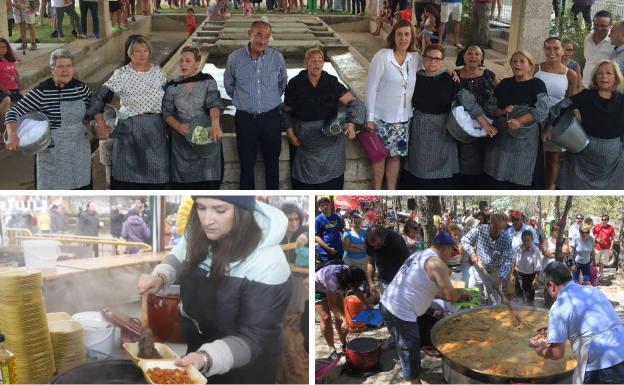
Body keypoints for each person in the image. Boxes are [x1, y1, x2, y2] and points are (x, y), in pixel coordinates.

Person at [137, 197, 292, 384]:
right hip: (199, 349)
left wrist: (206, 358)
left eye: (220, 210)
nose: (207, 220)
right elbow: (180, 254)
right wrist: (160, 276)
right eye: (201, 208)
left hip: (247, 362)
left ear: (242, 212)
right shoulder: (200, 232)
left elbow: (254, 336)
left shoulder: (269, 263)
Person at [380, 232, 473, 384]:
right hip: (400, 312)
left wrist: (447, 293)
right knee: (409, 350)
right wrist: (462, 295)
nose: (452, 254)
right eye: (451, 250)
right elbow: (451, 296)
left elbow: (424, 288)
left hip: (386, 304)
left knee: (405, 347)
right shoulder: (436, 263)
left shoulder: (419, 254)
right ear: (444, 248)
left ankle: (413, 371)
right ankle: (415, 381)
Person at [4, 49, 94, 190]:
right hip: (53, 153)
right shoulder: (42, 92)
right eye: (60, 67)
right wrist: (12, 134)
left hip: (78, 150)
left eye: (68, 66)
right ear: (52, 69)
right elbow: (13, 112)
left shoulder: (81, 89)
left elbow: (94, 109)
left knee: (80, 189)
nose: (65, 71)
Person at [91, 36, 169, 189]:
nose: (142, 54)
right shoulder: (121, 74)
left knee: (157, 174)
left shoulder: (158, 72)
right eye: (137, 51)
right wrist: (101, 122)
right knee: (127, 176)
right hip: (129, 131)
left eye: (145, 50)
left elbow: (170, 98)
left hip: (155, 130)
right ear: (130, 54)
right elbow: (99, 97)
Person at [283, 47, 361, 190]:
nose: (317, 64)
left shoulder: (331, 82)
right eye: (312, 61)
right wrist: (290, 133)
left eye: (320, 61)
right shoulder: (295, 84)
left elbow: (353, 102)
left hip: (330, 141)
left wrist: (351, 124)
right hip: (305, 144)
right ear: (306, 64)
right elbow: (286, 112)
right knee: (305, 185)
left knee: (331, 186)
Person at [534, 262, 624, 384]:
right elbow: (593, 322)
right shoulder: (592, 290)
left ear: (551, 285)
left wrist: (541, 349)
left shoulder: (559, 306)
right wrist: (553, 329)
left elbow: (557, 353)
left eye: (546, 287)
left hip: (601, 367)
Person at [224, 20, 287, 190]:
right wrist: (246, 101)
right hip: (246, 120)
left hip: (271, 119)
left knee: (272, 165)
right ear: (249, 34)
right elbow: (230, 86)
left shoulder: (277, 58)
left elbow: (282, 84)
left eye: (267, 36)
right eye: (259, 35)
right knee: (246, 166)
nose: (263, 40)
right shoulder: (235, 58)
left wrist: (269, 100)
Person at [545, 60, 624, 189]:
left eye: (609, 73)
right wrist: (550, 126)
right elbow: (559, 107)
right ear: (595, 77)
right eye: (600, 73)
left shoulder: (622, 100)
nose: (604, 77)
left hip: (613, 159)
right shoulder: (586, 96)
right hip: (583, 152)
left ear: (616, 78)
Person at [366, 21, 421, 190]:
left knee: (395, 157)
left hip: (403, 118)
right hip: (381, 117)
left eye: (407, 34)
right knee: (379, 157)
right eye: (399, 34)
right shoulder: (383, 56)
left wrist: (448, 71)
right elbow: (371, 87)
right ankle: (377, 191)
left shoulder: (415, 58)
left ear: (411, 37)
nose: (403, 38)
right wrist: (369, 118)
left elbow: (432, 67)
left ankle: (390, 191)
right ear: (393, 37)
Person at [482, 50, 549, 189]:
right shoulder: (505, 83)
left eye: (522, 61)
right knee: (498, 173)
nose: (517, 64)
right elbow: (490, 106)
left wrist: (520, 120)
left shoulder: (537, 84)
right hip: (502, 137)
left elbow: (543, 109)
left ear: (530, 66)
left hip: (525, 139)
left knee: (520, 174)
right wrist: (503, 111)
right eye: (514, 61)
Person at [162, 46, 223, 189]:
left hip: (205, 137)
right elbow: (166, 112)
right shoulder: (172, 87)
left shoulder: (208, 81)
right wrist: (178, 126)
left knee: (208, 178)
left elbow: (214, 104)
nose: (183, 64)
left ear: (197, 63)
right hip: (181, 142)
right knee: (182, 182)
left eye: (188, 61)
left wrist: (215, 124)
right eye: (181, 61)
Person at [401, 44, 460, 189]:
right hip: (420, 125)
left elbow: (464, 100)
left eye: (437, 59)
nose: (432, 61)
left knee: (442, 165)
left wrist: (483, 122)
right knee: (419, 164)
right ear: (423, 59)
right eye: (429, 57)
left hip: (443, 127)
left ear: (442, 62)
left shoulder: (449, 79)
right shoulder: (414, 79)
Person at [535, 37, 578, 190]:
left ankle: (549, 188)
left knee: (552, 159)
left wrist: (552, 125)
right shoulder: (535, 69)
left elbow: (568, 103)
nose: (552, 52)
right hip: (534, 119)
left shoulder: (570, 74)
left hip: (556, 120)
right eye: (548, 48)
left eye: (556, 48)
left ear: (562, 51)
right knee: (534, 156)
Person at [454, 45, 499, 189]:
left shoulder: (488, 75)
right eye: (470, 53)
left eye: (477, 54)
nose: (473, 56)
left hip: (487, 121)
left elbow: (503, 91)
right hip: (463, 124)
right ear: (463, 56)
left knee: (485, 154)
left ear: (482, 58)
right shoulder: (455, 74)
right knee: (467, 157)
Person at [315, 265, 369, 360]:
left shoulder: (350, 273)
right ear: (348, 282)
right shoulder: (332, 281)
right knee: (326, 318)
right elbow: (333, 305)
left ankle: (344, 344)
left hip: (335, 287)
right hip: (317, 288)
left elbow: (356, 290)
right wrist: (344, 320)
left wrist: (368, 305)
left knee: (340, 318)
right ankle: (332, 348)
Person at [460, 212, 513, 305]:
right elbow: (464, 240)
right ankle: (473, 315)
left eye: (500, 228)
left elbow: (508, 259)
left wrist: (500, 278)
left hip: (495, 272)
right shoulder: (480, 229)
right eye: (495, 227)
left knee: (495, 301)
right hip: (477, 269)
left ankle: (494, 317)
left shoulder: (506, 238)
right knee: (472, 297)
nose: (497, 231)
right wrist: (472, 252)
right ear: (490, 224)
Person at [366, 224, 410, 297]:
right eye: (373, 246)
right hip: (383, 279)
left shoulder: (397, 241)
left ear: (384, 238)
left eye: (378, 246)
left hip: (400, 280)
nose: (375, 248)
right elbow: (370, 262)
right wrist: (371, 283)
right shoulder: (369, 241)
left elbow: (407, 264)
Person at [581, 10, 614, 88]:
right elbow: (587, 61)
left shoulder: (613, 43)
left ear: (611, 25)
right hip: (584, 85)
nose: (599, 28)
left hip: (602, 87)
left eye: (603, 26)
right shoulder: (588, 38)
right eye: (596, 25)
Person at [511, 230, 543, 305]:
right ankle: (520, 309)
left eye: (528, 240)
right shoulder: (519, 248)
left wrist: (536, 280)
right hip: (519, 274)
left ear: (532, 240)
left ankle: (530, 310)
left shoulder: (535, 250)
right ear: (522, 240)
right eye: (524, 240)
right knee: (519, 295)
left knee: (529, 298)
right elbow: (514, 262)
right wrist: (512, 274)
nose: (526, 243)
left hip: (530, 276)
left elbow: (538, 267)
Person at [315, 197, 344, 264]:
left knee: (339, 270)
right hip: (325, 253)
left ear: (330, 205)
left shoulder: (336, 217)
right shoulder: (318, 220)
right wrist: (329, 249)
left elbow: (341, 230)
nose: (325, 206)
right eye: (322, 205)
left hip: (339, 250)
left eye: (326, 204)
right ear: (319, 207)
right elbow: (316, 236)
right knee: (327, 271)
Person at [0, 38, 20, 130]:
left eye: (4, 47)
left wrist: (18, 83)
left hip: (14, 89)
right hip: (4, 90)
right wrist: (6, 91)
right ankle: (3, 131)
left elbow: (15, 74)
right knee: (8, 102)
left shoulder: (10, 60)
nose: (2, 49)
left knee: (24, 105)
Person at [592, 214, 615, 279]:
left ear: (608, 220)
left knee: (602, 262)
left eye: (605, 220)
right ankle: (594, 274)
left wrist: (611, 248)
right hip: (597, 247)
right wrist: (596, 239)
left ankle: (600, 274)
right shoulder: (597, 226)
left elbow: (613, 238)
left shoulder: (611, 228)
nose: (603, 221)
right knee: (595, 262)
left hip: (606, 248)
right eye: (602, 219)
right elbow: (591, 235)